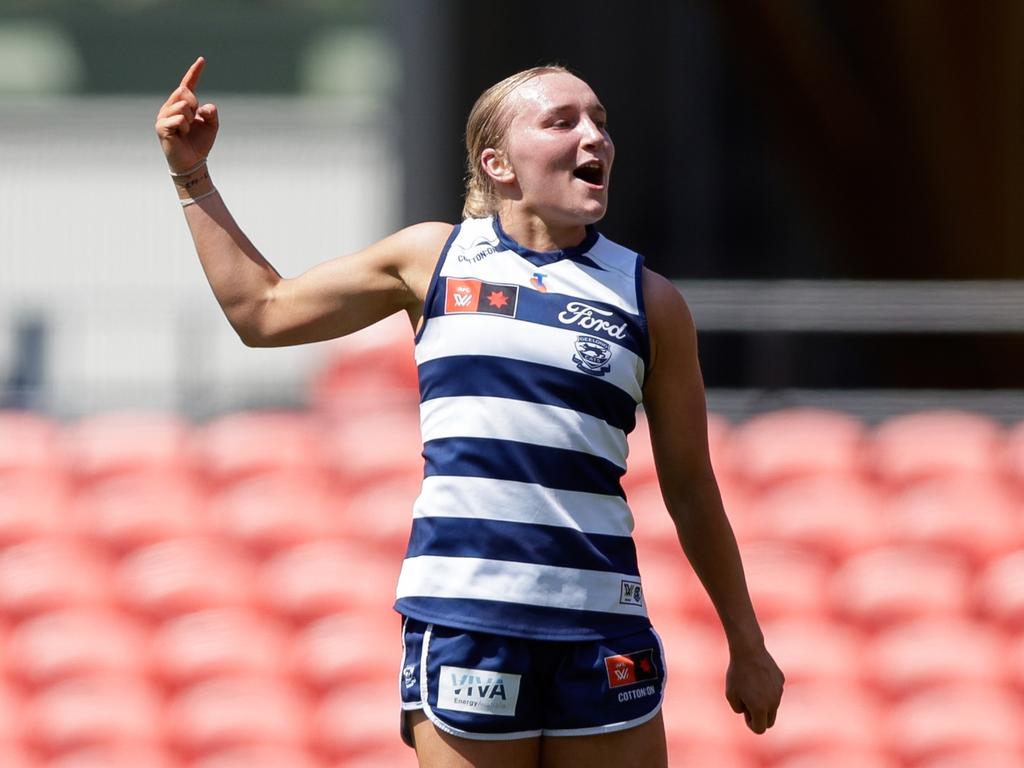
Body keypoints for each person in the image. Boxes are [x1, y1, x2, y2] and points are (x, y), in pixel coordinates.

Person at [156, 57, 784, 768]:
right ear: (498, 163)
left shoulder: (651, 299)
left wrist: (747, 643)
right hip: (467, 619)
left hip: (603, 626)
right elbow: (262, 313)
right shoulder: (434, 257)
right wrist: (191, 177)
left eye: (601, 124)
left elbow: (692, 487)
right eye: (563, 121)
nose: (596, 138)